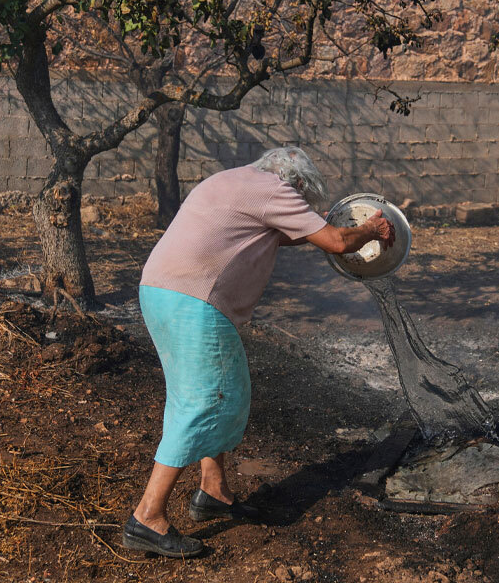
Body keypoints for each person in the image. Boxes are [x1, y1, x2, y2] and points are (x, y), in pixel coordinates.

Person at [122, 146, 396, 557]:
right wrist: (373, 230)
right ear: (297, 183)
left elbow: (279, 235)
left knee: (203, 396)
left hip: (160, 293)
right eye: (304, 198)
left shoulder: (232, 180)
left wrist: (322, 230)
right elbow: (337, 241)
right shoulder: (274, 190)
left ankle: (213, 491)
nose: (301, 205)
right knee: (205, 402)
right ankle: (148, 516)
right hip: (195, 302)